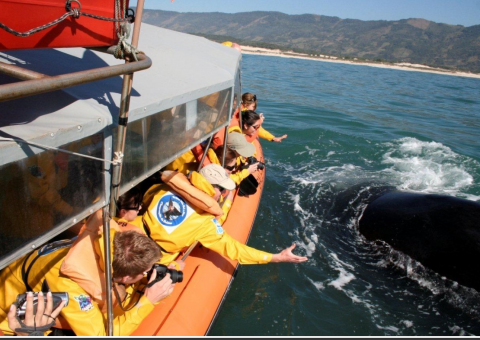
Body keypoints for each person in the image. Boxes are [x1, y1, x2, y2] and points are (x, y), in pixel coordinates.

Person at [0, 227, 175, 336]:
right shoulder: (71, 286)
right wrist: (147, 301)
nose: (147, 274)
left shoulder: (98, 245)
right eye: (145, 272)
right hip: (10, 319)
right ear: (126, 278)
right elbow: (103, 335)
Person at [141, 163, 308, 267]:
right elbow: (235, 250)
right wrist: (276, 257)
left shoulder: (165, 187)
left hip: (131, 231)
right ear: (213, 187)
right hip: (149, 257)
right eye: (221, 189)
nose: (222, 194)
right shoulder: (206, 225)